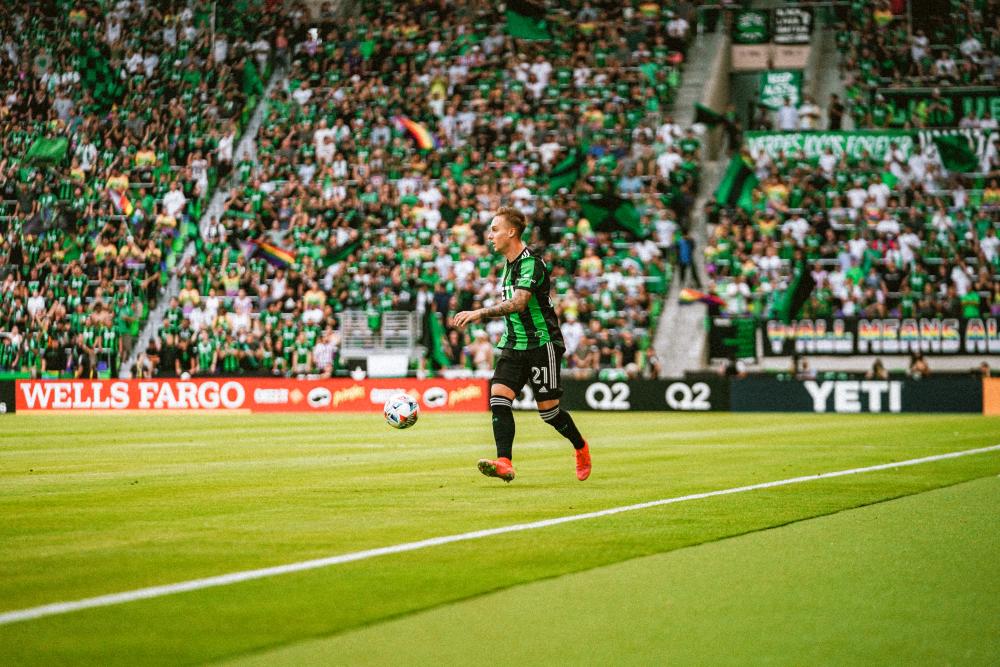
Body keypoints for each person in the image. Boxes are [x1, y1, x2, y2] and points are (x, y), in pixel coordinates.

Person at [454, 206, 591, 482]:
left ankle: (581, 447)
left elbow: (519, 303)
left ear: (511, 232)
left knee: (549, 412)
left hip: (542, 344)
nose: (489, 236)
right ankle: (504, 462)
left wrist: (480, 313)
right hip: (514, 345)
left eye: (494, 229)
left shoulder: (531, 263)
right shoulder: (507, 266)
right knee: (498, 399)